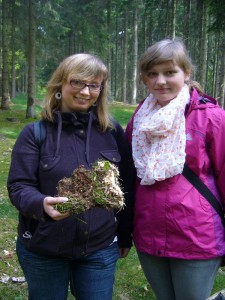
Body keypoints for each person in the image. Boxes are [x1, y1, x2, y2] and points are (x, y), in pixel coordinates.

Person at [7, 53, 135, 300]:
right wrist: (41, 204)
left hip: (99, 247)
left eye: (94, 85)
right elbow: (18, 186)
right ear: (60, 85)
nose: (85, 92)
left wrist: (125, 234)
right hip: (44, 248)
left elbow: (127, 184)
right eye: (77, 82)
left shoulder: (112, 132)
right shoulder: (35, 133)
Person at [125, 38, 225, 300]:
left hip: (197, 236)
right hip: (149, 234)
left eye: (170, 72)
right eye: (152, 74)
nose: (161, 81)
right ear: (145, 78)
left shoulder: (211, 117)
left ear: (186, 73)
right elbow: (130, 177)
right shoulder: (139, 118)